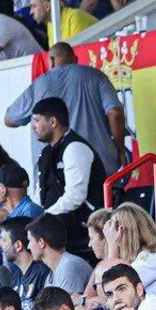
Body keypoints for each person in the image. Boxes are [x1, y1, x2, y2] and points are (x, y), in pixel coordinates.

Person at [5, 42, 126, 179]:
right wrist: (120, 150)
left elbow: (10, 119)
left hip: (55, 171)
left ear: (51, 60)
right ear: (75, 59)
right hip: (100, 166)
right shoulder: (97, 76)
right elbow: (115, 113)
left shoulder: (38, 85)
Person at [31, 96, 106, 254]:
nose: (33, 126)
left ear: (52, 122)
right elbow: (40, 193)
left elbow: (75, 196)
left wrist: (44, 218)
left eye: (37, 120)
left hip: (81, 222)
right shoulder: (46, 153)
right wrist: (33, 216)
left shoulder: (75, 147)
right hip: (55, 220)